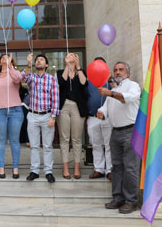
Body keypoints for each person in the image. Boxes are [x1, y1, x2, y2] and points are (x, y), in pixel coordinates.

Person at [97, 61, 141, 214]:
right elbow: (106, 108)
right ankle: (118, 198)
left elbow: (127, 98)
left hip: (131, 131)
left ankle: (131, 201)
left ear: (127, 73)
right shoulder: (114, 89)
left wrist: (110, 93)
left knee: (130, 168)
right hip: (115, 132)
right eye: (115, 70)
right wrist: (101, 112)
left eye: (121, 70)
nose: (117, 72)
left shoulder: (132, 85)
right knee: (116, 167)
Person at [22, 54, 59, 183]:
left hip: (47, 115)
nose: (38, 61)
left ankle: (48, 172)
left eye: (41, 59)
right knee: (34, 146)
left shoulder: (52, 79)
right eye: (37, 60)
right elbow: (23, 77)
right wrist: (28, 63)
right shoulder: (32, 77)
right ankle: (34, 171)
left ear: (46, 65)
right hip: (32, 115)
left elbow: (55, 99)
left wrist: (53, 117)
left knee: (48, 146)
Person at [0, 54, 24, 179]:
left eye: (6, 57)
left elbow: (18, 79)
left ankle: (15, 168)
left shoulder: (14, 73)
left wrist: (10, 66)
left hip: (15, 110)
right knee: (1, 140)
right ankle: (1, 168)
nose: (4, 58)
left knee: (14, 140)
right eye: (2, 58)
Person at [57, 53, 87, 179]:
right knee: (64, 139)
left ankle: (76, 168)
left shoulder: (81, 71)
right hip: (64, 106)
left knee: (77, 139)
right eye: (69, 56)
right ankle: (65, 168)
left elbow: (84, 83)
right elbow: (62, 82)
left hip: (77, 107)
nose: (71, 58)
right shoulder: (60, 72)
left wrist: (78, 67)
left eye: (73, 56)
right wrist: (67, 66)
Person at [85, 57, 112, 180]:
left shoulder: (111, 82)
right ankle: (99, 169)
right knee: (96, 144)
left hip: (107, 118)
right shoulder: (88, 82)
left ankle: (109, 170)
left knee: (109, 145)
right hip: (92, 118)